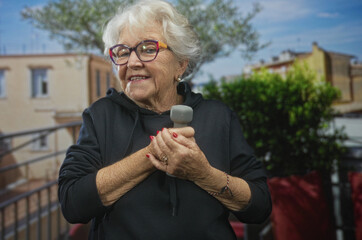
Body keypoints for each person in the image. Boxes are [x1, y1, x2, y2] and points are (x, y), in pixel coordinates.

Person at [58, 0, 272, 239]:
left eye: (148, 49)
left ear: (181, 64)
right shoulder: (101, 116)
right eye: (122, 52)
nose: (132, 62)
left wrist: (203, 174)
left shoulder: (218, 116)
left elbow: (260, 205)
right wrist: (153, 154)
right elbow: (72, 203)